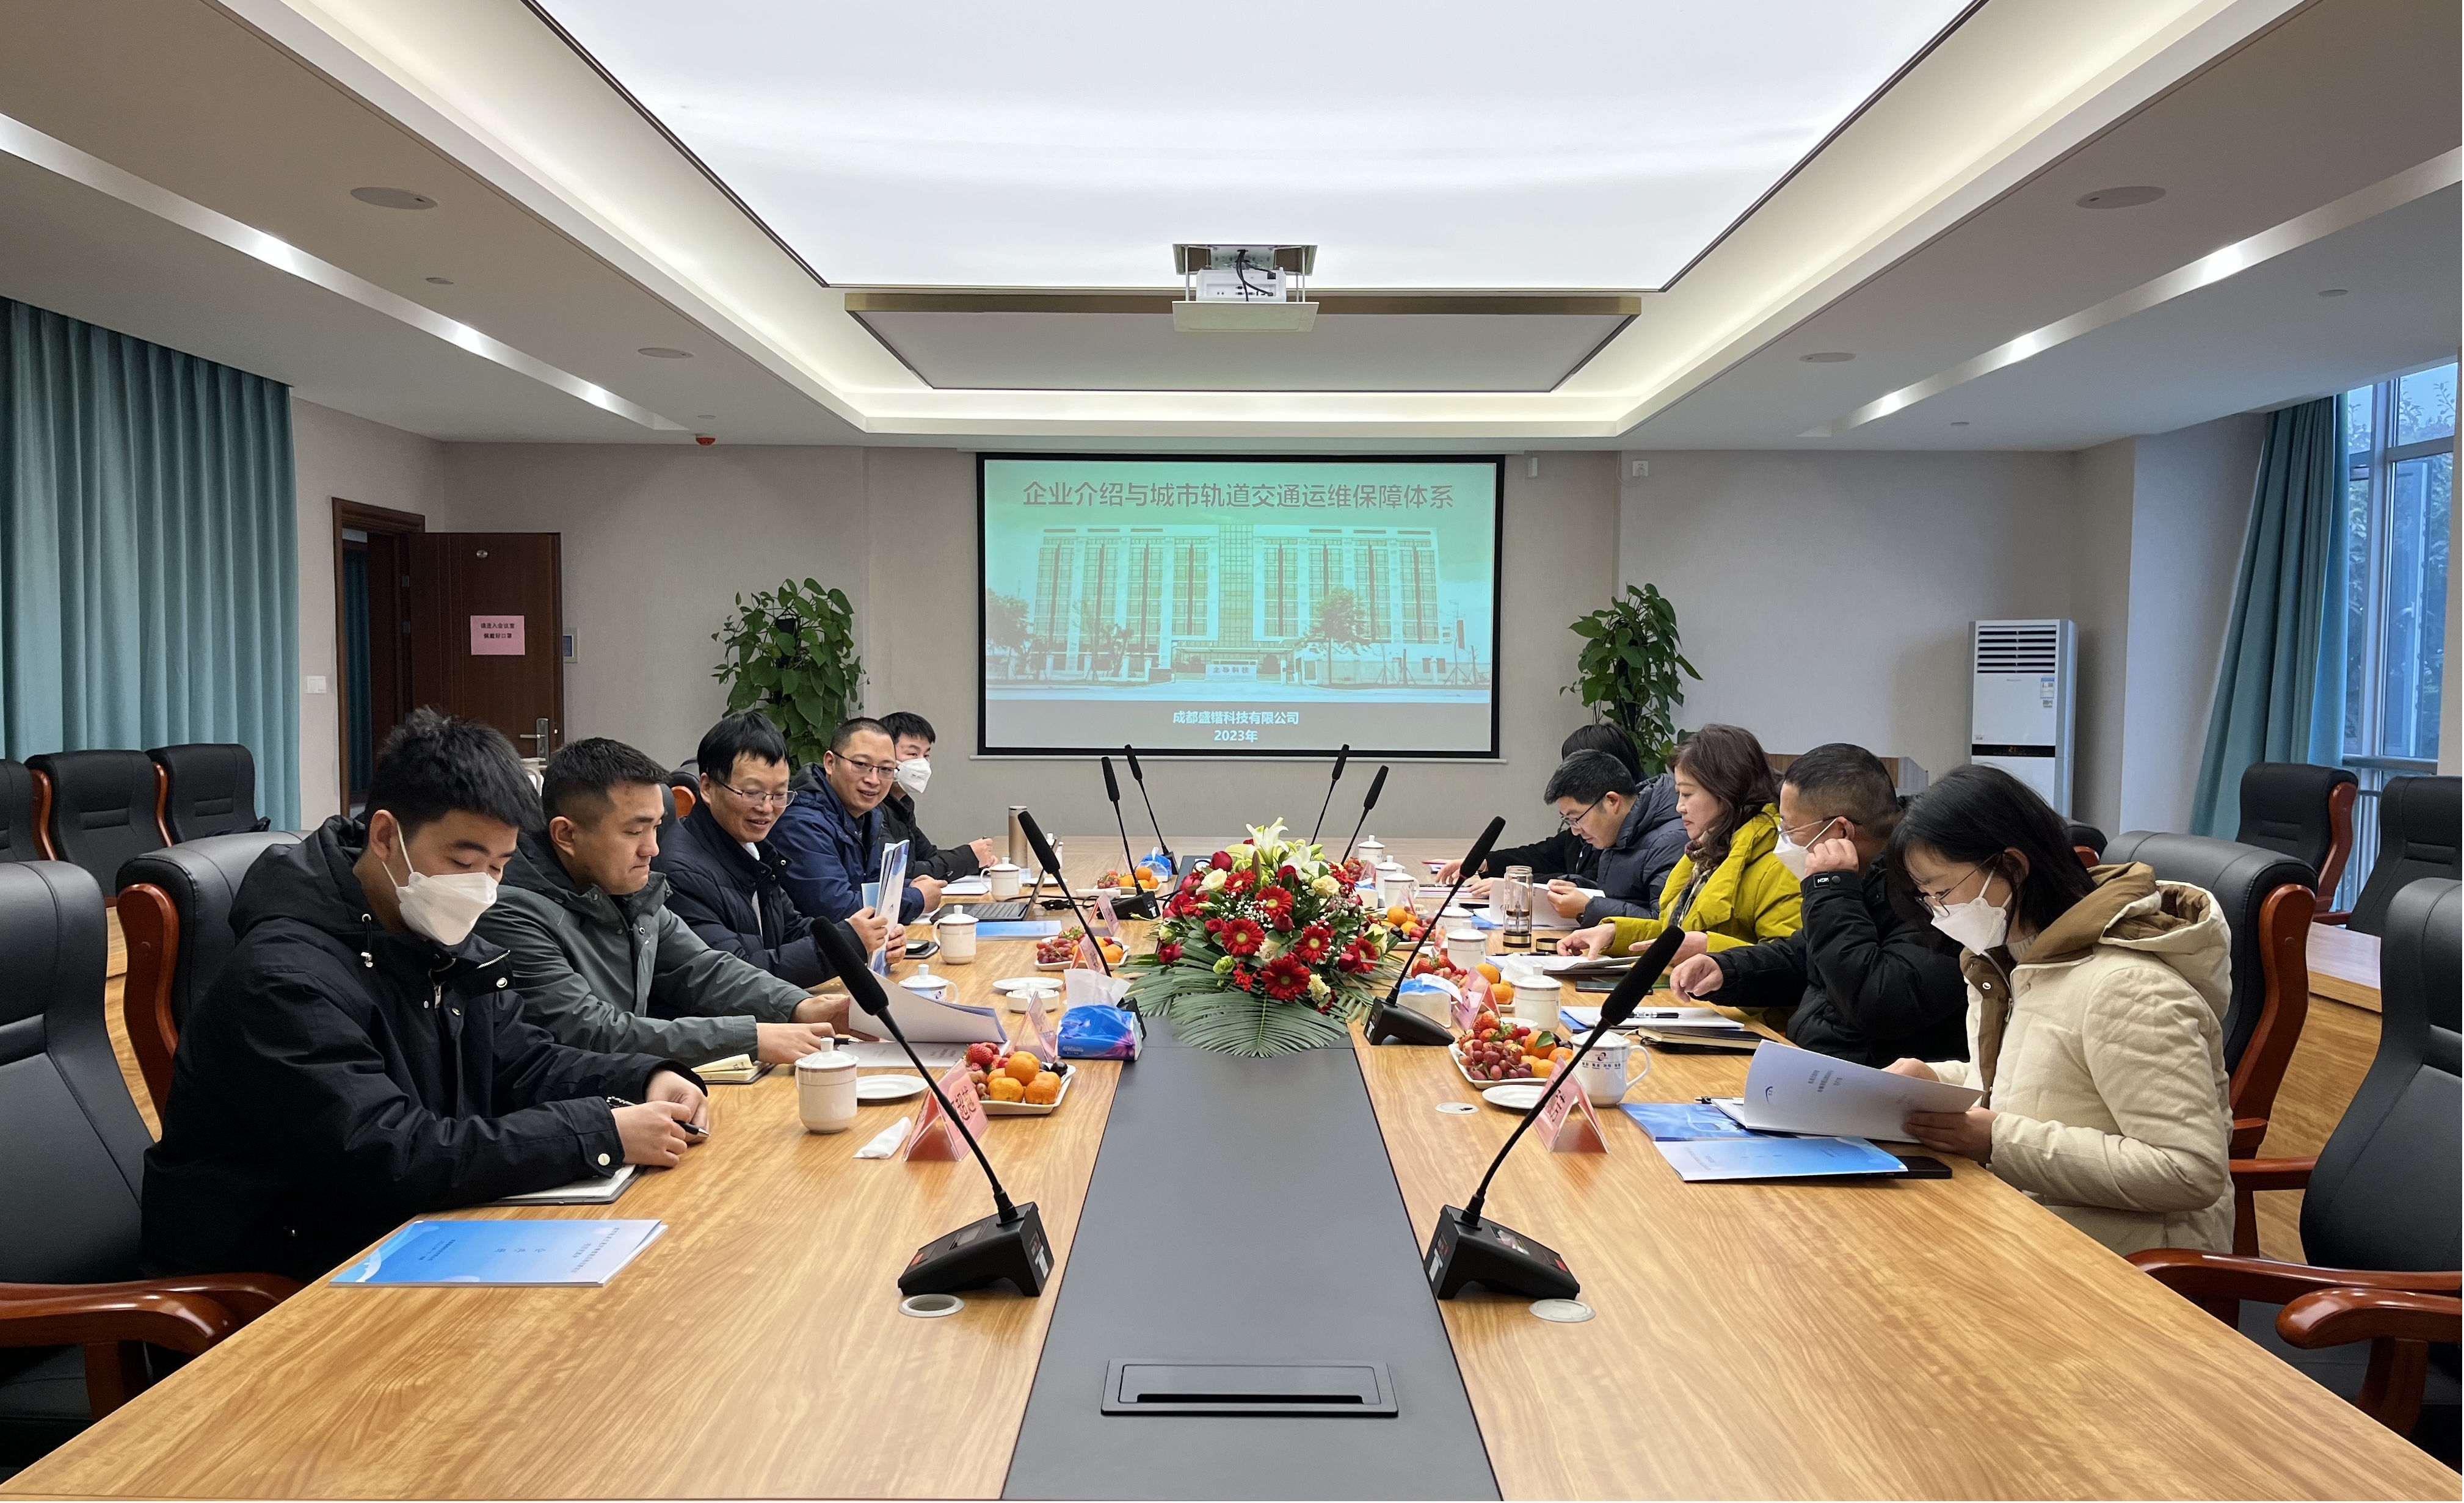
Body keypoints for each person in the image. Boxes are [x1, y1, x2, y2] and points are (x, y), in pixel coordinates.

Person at [143, 710, 707, 1282]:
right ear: (386, 837)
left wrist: (642, 1079)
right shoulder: (283, 979)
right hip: (285, 1278)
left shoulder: (436, 935)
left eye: (499, 866)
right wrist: (599, 1132)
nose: (481, 888)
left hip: (406, 1235)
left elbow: (523, 1062)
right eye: (463, 862)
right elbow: (388, 1153)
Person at [1880, 764, 2233, 1256]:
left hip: (2124, 1263)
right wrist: (1935, 1082)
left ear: (2012, 867)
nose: (1938, 911)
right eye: (1927, 897)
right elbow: (2040, 1081)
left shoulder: (2129, 988)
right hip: (2025, 1224)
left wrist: (1997, 1140)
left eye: (1941, 892)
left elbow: (2189, 1171)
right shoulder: (2007, 963)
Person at [479, 737, 852, 1068]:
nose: (652, 849)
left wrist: (797, 1006)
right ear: (566, 835)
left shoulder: (630, 889)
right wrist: (750, 1037)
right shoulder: (510, 912)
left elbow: (703, 969)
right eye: (634, 831)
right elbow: (590, 1031)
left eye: (657, 827)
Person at [1663, 743, 1968, 1066]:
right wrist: (1727, 969)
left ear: (1841, 831)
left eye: (1791, 829)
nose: (1784, 840)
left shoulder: (1929, 889)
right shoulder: (1864, 877)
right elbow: (1807, 956)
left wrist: (1831, 889)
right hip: (1814, 1064)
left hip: (1873, 1079)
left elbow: (1876, 1003)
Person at [1557, 724, 1802, 1015]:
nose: (1679, 807)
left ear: (1725, 792)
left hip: (1745, 1024)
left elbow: (1791, 965)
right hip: (1699, 1009)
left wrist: (1709, 947)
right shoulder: (1707, 851)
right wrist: (1613, 933)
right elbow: (1675, 934)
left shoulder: (1777, 862)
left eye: (1687, 794)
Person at [656, 711, 901, 985]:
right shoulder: (680, 874)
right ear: (707, 787)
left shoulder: (754, 848)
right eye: (752, 793)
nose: (767, 808)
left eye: (779, 794)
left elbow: (791, 929)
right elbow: (735, 978)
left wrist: (866, 935)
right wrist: (847, 944)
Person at [1440, 725, 1683, 919]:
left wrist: (1585, 906)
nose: (1575, 831)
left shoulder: (1665, 838)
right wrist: (1489, 864)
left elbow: (1662, 923)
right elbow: (1583, 879)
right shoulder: (1619, 826)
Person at [772, 717, 939, 925]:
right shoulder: (801, 823)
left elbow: (871, 883)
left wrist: (909, 886)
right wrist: (917, 897)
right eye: (861, 764)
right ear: (830, 763)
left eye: (886, 769)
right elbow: (839, 910)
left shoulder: (867, 816)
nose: (873, 780)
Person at [1533, 750, 1687, 925]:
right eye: (1569, 821)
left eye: (1576, 818)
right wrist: (1579, 887)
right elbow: (1622, 897)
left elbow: (1664, 924)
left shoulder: (1670, 842)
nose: (1575, 831)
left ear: (1612, 801)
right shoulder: (1621, 833)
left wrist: (1588, 908)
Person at [878, 711, 997, 883]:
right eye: (913, 754)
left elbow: (927, 855)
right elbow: (900, 873)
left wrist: (977, 862)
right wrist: (968, 857)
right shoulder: (873, 808)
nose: (922, 763)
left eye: (926, 755)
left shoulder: (902, 804)